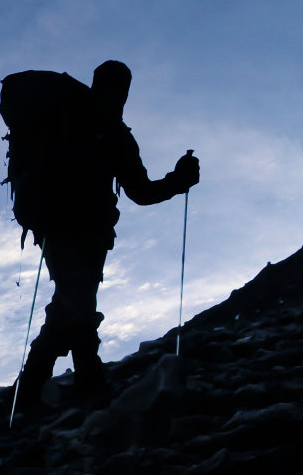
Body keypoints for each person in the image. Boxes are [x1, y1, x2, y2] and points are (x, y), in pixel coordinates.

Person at [13, 60, 200, 415]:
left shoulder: (105, 130)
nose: (120, 95)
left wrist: (178, 180)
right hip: (70, 230)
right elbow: (141, 192)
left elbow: (140, 190)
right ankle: (90, 385)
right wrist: (180, 180)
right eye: (118, 88)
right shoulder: (89, 124)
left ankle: (29, 391)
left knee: (67, 307)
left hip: (81, 233)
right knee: (79, 302)